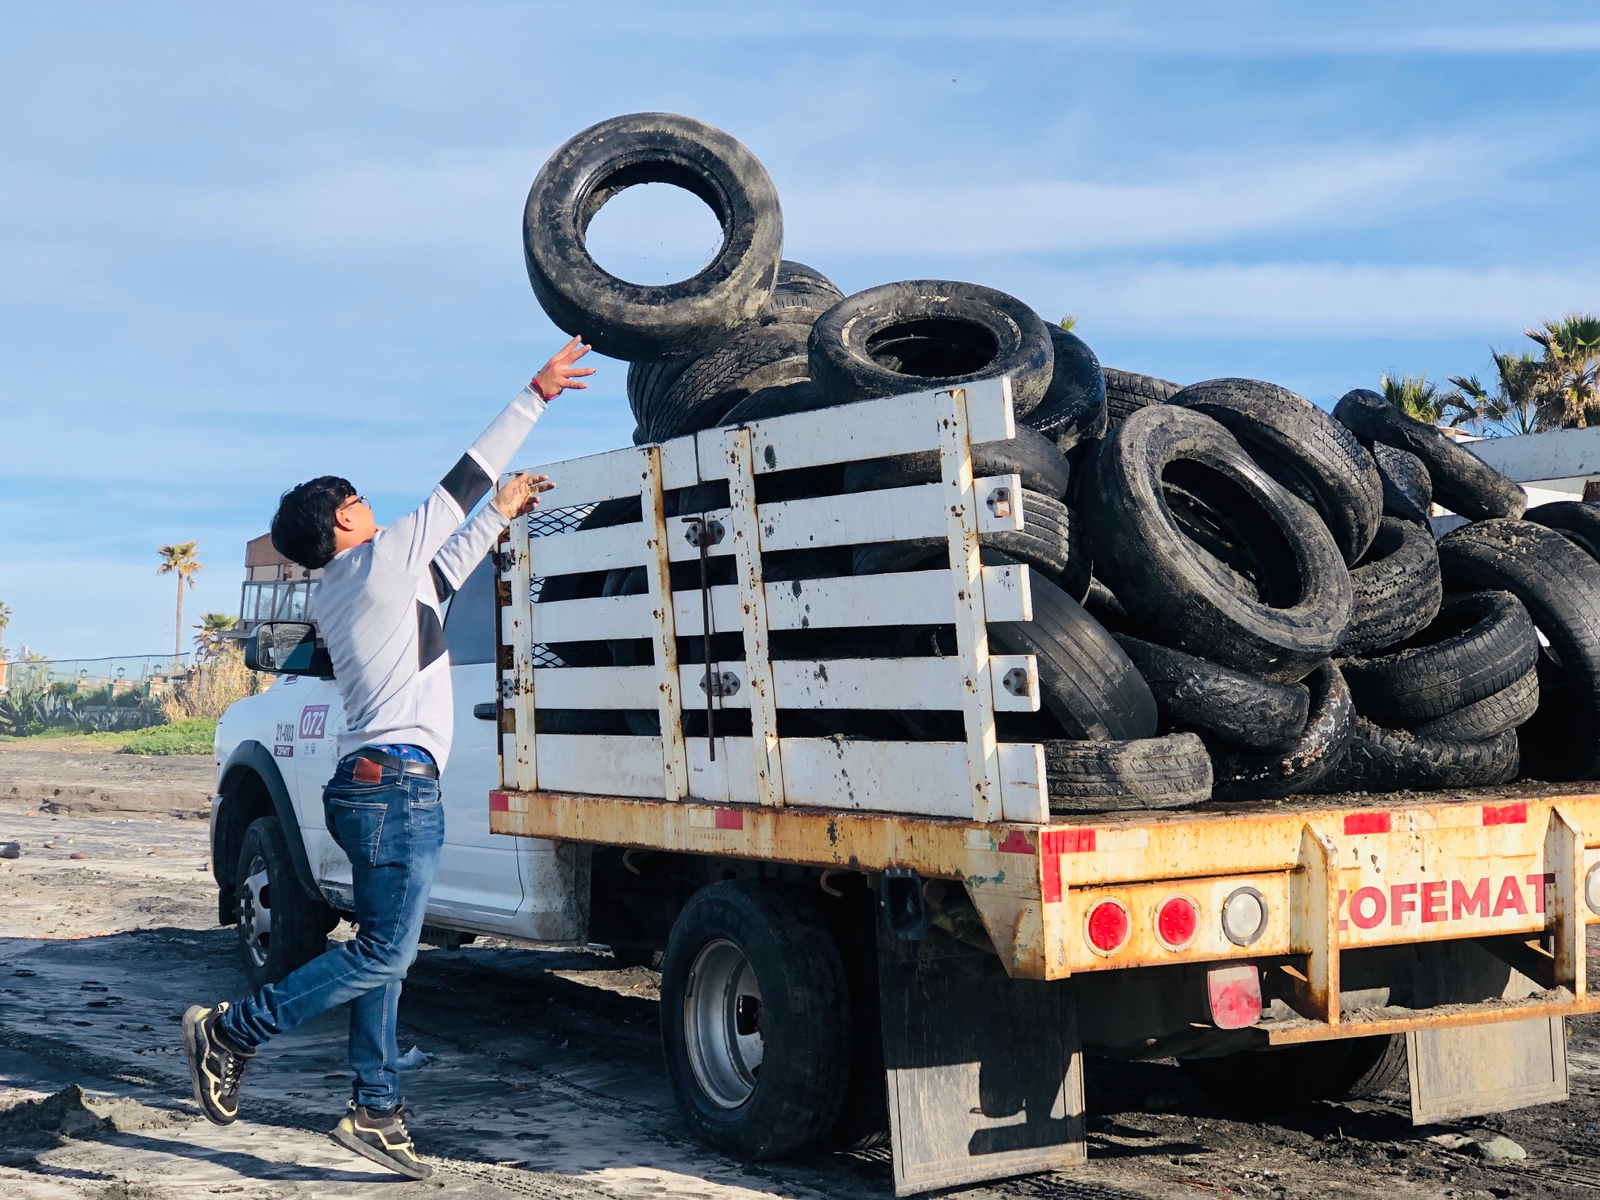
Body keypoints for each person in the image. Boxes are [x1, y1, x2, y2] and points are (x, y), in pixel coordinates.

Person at [182, 337, 594, 1179]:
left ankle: (376, 1110)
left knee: (381, 953)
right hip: (396, 789)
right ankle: (231, 1032)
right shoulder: (376, 560)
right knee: (383, 954)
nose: (376, 509)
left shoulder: (353, 585)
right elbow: (462, 480)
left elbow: (444, 571)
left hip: (374, 786)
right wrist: (536, 395)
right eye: (364, 502)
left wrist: (504, 515)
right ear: (344, 520)